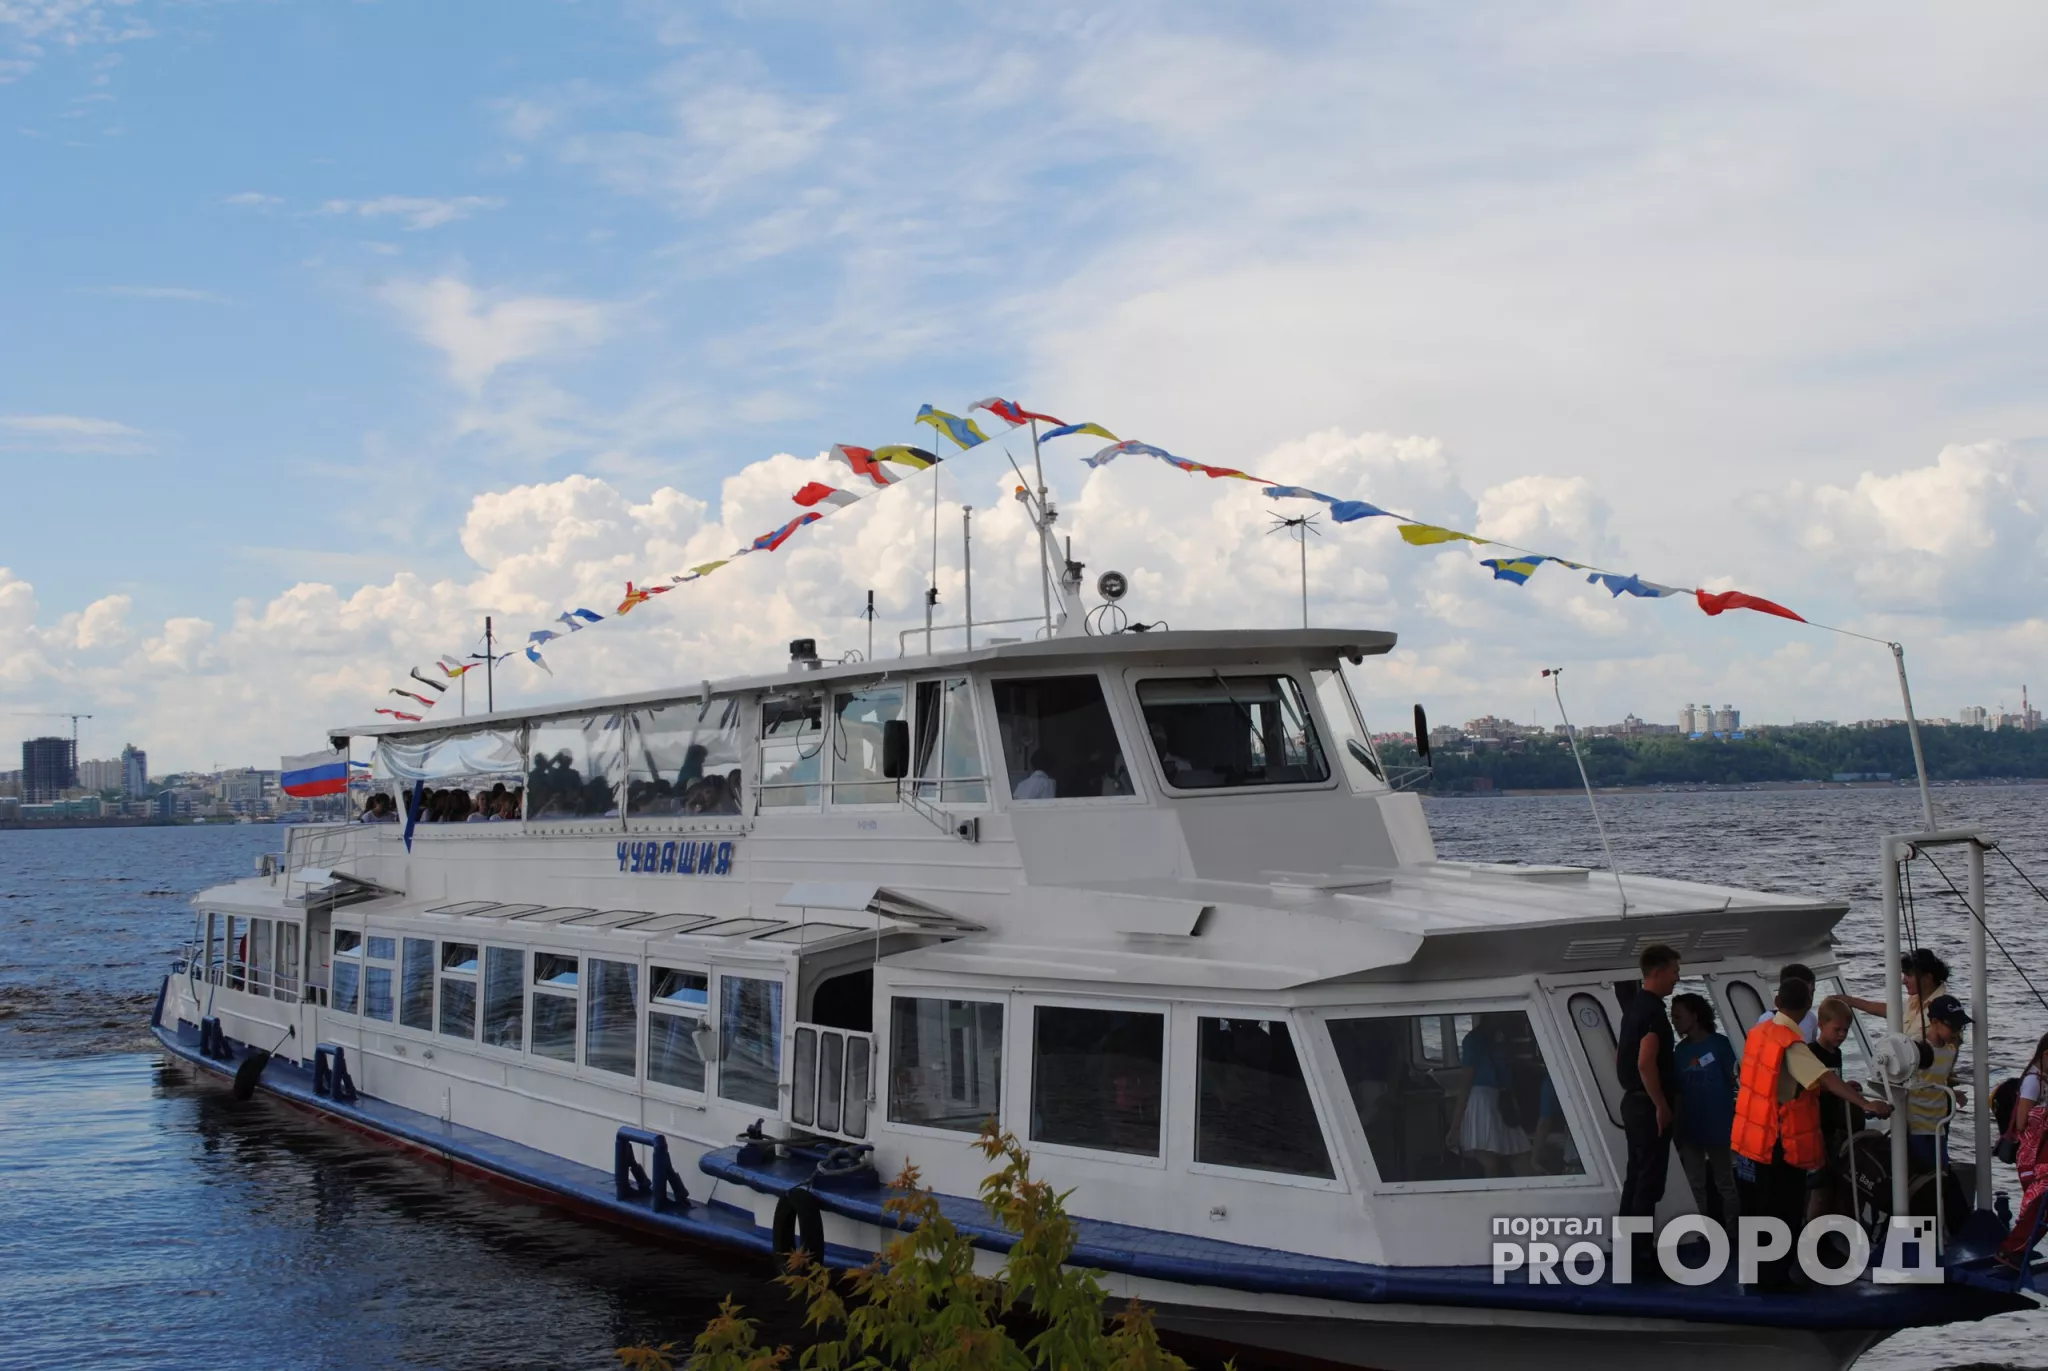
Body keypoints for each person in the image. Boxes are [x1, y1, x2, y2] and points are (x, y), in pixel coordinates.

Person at [1731, 976, 1893, 1290]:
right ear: (1808, 1008)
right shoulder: (1791, 1046)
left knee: (1756, 1210)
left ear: (1777, 1002)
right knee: (1783, 1212)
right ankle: (1774, 1281)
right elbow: (1825, 1079)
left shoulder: (1759, 1033)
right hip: (1777, 1142)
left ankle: (1753, 1274)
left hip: (1751, 1137)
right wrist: (1865, 1103)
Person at [1617, 944, 1681, 1262]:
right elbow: (1645, 1062)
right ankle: (1641, 1252)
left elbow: (1624, 1055)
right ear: (1657, 972)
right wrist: (1661, 1105)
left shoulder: (1634, 1008)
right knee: (1648, 1179)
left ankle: (1629, 1245)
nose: (1677, 978)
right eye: (1674, 971)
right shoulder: (1653, 1012)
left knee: (1636, 1175)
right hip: (1647, 1106)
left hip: (1633, 1102)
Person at [1671, 992, 1740, 1224]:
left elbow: (1735, 1080)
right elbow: (1678, 1092)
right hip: (1690, 1126)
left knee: (1725, 1182)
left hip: (1718, 1124)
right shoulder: (1680, 1051)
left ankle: (1732, 1230)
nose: (1674, 1022)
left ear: (1695, 1015)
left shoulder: (1721, 1045)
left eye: (1678, 1016)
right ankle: (1702, 1231)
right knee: (1694, 1184)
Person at [1446, 1014, 1532, 1178]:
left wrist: (1455, 1125)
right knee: (1516, 1154)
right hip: (1496, 1100)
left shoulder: (1474, 1040)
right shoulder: (1500, 1040)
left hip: (1484, 1101)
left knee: (1490, 1160)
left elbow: (1466, 1082)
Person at [1807, 995, 1866, 1219]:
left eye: (1846, 1030)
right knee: (1818, 1185)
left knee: (1833, 1182)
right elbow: (1810, 1086)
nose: (1842, 1035)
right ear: (1821, 1025)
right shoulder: (1812, 1052)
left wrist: (1845, 1086)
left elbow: (1833, 1081)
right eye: (1837, 1029)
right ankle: (1811, 1227)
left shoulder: (1836, 1053)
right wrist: (1836, 1088)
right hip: (1816, 1125)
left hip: (1833, 1126)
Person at [1998, 1032, 2048, 1264]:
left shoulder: (2042, 1079)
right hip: (2032, 1153)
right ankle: (2013, 1249)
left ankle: (2020, 1247)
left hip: (2041, 1152)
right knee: (2038, 1204)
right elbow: (2021, 1122)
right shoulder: (2033, 1082)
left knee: (2038, 1205)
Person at [1906, 994, 1970, 1172]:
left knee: (1941, 1170)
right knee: (1925, 1170)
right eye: (1953, 1027)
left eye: (1960, 1027)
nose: (1957, 1032)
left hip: (1938, 1123)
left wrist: (1953, 1093)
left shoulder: (1950, 1051)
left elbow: (1939, 1079)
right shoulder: (1916, 1047)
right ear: (1934, 1022)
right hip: (1916, 1121)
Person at [1754, 964, 1819, 1042]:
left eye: (1812, 993)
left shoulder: (1811, 1018)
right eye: (1804, 994)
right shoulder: (1768, 1019)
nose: (1810, 999)